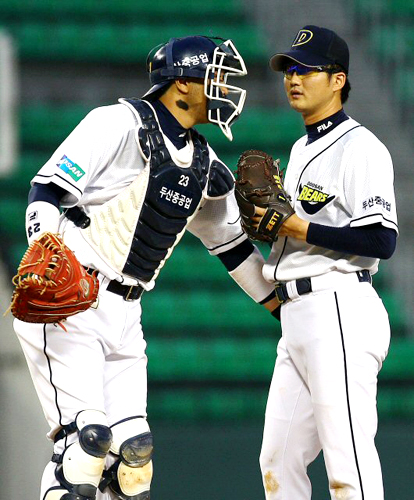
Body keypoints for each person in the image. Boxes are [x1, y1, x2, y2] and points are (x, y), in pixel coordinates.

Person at [13, 35, 280, 500]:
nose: (225, 85)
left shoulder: (206, 166)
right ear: (180, 83)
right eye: (214, 74)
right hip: (71, 297)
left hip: (127, 312)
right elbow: (46, 190)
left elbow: (234, 249)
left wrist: (283, 307)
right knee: (85, 446)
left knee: (133, 458)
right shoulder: (118, 122)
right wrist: (45, 254)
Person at [255, 26, 398, 500]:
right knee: (277, 460)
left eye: (307, 69)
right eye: (289, 69)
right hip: (297, 315)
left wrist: (297, 227)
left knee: (348, 462)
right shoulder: (299, 149)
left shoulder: (362, 148)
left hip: (339, 306)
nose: (293, 78)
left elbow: (382, 239)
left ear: (338, 80)